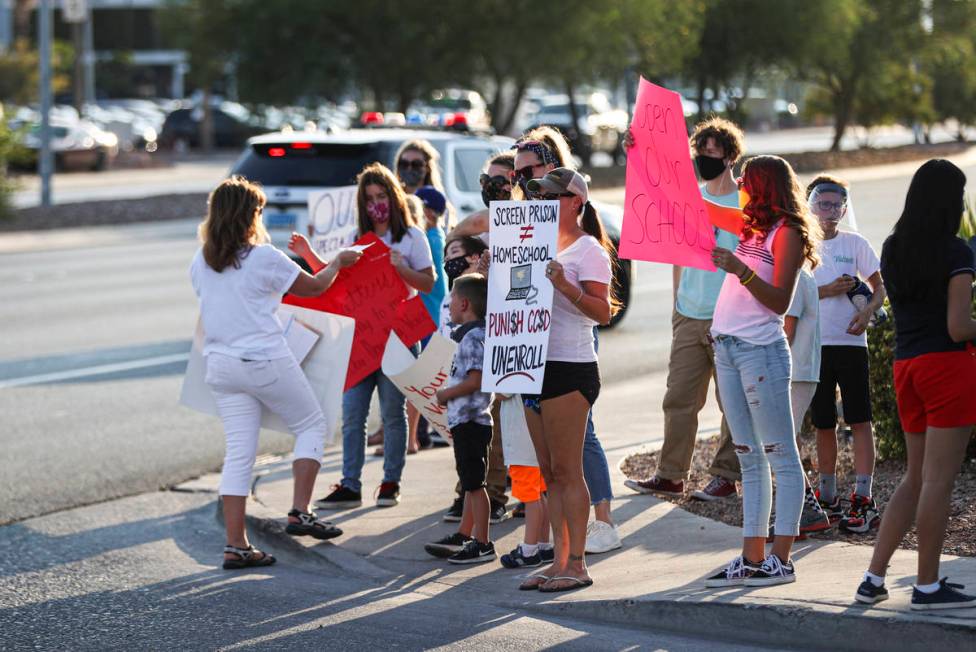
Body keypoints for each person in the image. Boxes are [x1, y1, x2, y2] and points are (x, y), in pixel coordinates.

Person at [190, 176, 348, 569]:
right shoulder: (264, 256)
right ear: (248, 215)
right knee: (312, 424)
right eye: (258, 211)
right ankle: (300, 510)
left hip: (222, 366)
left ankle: (236, 545)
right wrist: (340, 263)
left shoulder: (201, 262)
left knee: (239, 453)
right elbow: (315, 288)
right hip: (263, 359)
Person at [856, 159, 976, 610]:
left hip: (906, 367)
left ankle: (874, 577)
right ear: (949, 200)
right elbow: (959, 326)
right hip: (947, 367)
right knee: (938, 482)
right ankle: (927, 586)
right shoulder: (956, 253)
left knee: (915, 476)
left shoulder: (893, 247)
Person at [705, 155, 821, 588]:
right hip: (729, 348)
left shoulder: (786, 231)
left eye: (746, 180)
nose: (739, 186)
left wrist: (740, 269)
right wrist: (643, 151)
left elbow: (779, 301)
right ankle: (752, 559)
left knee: (781, 456)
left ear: (765, 186)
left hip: (761, 351)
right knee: (750, 457)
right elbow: (699, 206)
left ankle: (781, 559)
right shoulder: (750, 225)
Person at [291, 163, 434, 510]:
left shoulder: (412, 237)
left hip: (396, 337)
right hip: (360, 339)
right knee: (352, 413)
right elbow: (336, 284)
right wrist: (311, 254)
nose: (376, 205)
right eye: (369, 199)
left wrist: (402, 270)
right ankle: (351, 483)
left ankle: (390, 482)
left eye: (381, 196)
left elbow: (428, 282)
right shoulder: (357, 237)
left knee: (391, 412)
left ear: (394, 197)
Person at [623, 117, 743, 501]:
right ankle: (671, 474)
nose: (705, 158)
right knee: (679, 398)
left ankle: (726, 476)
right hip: (689, 312)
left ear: (730, 156)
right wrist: (634, 149)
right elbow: (653, 193)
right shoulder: (689, 198)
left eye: (712, 153)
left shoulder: (743, 203)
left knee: (732, 403)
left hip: (729, 315)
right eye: (701, 152)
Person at [515, 167, 618, 593]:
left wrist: (564, 286)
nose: (544, 202)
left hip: (569, 366)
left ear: (576, 202)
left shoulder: (588, 249)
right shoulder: (532, 242)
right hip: (532, 362)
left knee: (567, 471)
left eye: (553, 196)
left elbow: (604, 312)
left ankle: (576, 564)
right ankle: (559, 560)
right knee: (548, 473)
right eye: (540, 195)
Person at [807, 175, 886, 532]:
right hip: (816, 344)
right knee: (823, 421)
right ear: (810, 204)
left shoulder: (855, 243)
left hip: (852, 343)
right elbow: (792, 292)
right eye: (824, 203)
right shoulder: (802, 245)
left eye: (838, 204)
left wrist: (867, 311)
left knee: (859, 419)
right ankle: (827, 494)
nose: (831, 210)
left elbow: (879, 285)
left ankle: (863, 495)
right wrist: (826, 290)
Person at [437, 235, 510, 522]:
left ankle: (486, 518)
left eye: (454, 252)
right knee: (469, 472)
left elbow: (477, 378)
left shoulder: (478, 320)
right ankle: (467, 527)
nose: (448, 261)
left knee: (482, 466)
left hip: (477, 404)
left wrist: (446, 394)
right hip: (462, 404)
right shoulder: (454, 300)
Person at [433, 274, 496, 564]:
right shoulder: (471, 334)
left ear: (465, 303)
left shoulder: (472, 338)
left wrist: (447, 394)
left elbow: (476, 380)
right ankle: (465, 533)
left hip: (472, 420)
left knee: (474, 484)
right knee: (469, 481)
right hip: (467, 421)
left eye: (452, 304)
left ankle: (482, 543)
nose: (449, 310)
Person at [783, 268, 832, 537]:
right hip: (798, 371)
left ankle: (808, 511)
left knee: (783, 444)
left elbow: (786, 331)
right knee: (786, 442)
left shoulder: (797, 276)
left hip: (796, 371)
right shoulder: (800, 275)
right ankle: (804, 511)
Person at [395, 139, 454, 229]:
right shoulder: (391, 199)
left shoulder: (436, 201)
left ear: (427, 167)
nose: (409, 168)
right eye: (404, 164)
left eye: (416, 164)